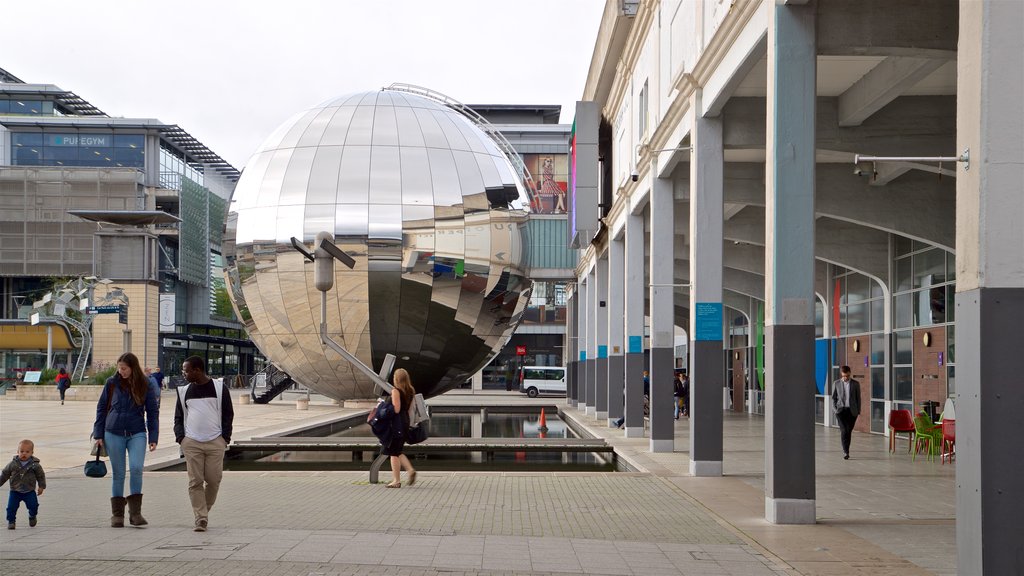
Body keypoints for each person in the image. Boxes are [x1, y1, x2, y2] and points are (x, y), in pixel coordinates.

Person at [93, 352, 159, 528]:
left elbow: (153, 412)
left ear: (132, 368)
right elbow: (101, 408)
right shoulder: (111, 383)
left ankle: (135, 513)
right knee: (118, 474)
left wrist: (153, 436)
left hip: (136, 432)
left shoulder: (145, 384)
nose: (120, 371)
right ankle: (117, 515)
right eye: (119, 368)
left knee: (137, 468)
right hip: (112, 432)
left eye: (124, 368)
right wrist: (98, 434)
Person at [175, 355, 234, 532]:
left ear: (197, 370)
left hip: (215, 441)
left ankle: (203, 511)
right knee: (195, 481)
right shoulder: (184, 391)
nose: (183, 373)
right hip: (192, 442)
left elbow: (228, 414)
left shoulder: (219, 388)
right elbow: (178, 417)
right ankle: (201, 518)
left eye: (186, 370)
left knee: (214, 480)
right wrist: (181, 438)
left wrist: (225, 438)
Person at [382, 368, 417, 488]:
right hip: (405, 421)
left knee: (393, 452)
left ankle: (397, 480)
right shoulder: (411, 390)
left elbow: (396, 409)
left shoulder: (396, 391)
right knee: (397, 450)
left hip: (396, 423)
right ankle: (409, 471)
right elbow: (408, 409)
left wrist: (385, 408)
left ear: (396, 379)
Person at [1, 439, 45, 530]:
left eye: (27, 452)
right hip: (15, 491)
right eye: (22, 451)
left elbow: (40, 476)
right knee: (11, 508)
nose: (24, 453)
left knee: (33, 505)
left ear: (32, 452)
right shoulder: (12, 464)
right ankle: (11, 521)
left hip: (29, 491)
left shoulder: (35, 465)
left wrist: (41, 486)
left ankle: (32, 516)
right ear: (17, 452)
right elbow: (5, 474)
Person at [831, 365, 861, 460]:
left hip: (852, 411)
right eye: (844, 376)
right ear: (841, 374)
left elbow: (858, 398)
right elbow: (833, 398)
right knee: (844, 431)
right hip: (841, 411)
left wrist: (858, 410)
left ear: (850, 373)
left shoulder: (855, 384)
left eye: (847, 376)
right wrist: (835, 410)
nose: (846, 378)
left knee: (849, 431)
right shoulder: (836, 383)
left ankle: (846, 449)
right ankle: (846, 452)